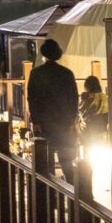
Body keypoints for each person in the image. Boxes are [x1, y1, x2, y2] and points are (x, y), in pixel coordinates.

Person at [26, 38, 79, 181]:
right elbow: (74, 99)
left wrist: (35, 121)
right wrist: (72, 121)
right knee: (67, 162)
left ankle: (49, 195)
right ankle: (73, 192)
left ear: (43, 54)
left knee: (46, 162)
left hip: (44, 123)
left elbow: (32, 98)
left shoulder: (36, 73)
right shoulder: (67, 73)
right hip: (64, 122)